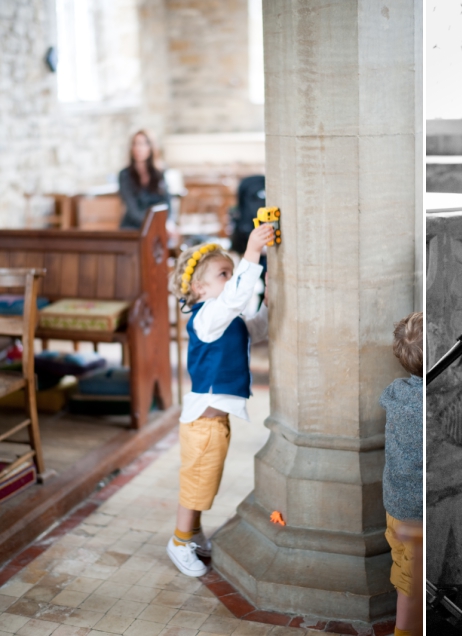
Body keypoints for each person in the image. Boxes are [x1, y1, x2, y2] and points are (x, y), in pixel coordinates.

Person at [165, 222, 275, 577]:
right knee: (196, 484)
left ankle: (193, 533)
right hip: (202, 423)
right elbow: (234, 299)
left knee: (206, 482)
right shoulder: (207, 317)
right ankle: (179, 541)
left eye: (231, 272)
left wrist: (270, 304)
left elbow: (255, 329)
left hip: (215, 422)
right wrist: (252, 252)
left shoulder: (226, 318)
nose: (230, 279)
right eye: (222, 274)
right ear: (199, 288)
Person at [380, 312, 423, 636]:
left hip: (395, 507)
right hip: (419, 518)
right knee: (413, 587)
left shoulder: (395, 392)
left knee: (405, 576)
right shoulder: (432, 404)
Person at [119, 130, 171, 229]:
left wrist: (168, 222)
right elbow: (132, 210)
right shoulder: (125, 175)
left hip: (157, 225)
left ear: (150, 147)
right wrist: (154, 224)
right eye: (135, 144)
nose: (139, 148)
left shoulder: (160, 173)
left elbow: (167, 202)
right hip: (133, 227)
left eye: (143, 144)